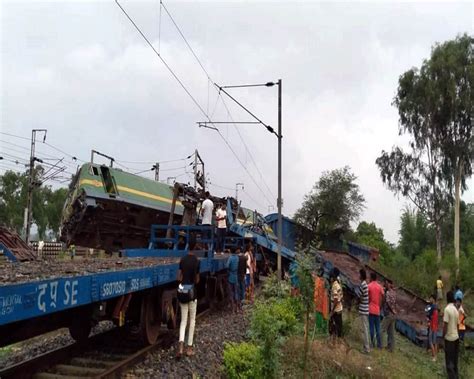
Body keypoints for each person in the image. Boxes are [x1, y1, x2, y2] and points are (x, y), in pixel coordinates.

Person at [176, 237, 200, 358]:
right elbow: (196, 279)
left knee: (183, 320)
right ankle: (189, 348)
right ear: (195, 246)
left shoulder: (182, 259)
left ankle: (180, 347)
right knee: (192, 321)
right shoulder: (196, 261)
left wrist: (183, 282)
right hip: (192, 293)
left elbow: (178, 277)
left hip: (182, 292)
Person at [443, 290, 459, 379]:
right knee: (455, 362)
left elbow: (445, 325)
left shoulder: (447, 309)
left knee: (449, 364)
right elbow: (457, 325)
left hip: (449, 339)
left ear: (447, 299)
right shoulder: (456, 310)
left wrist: (442, 336)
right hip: (456, 337)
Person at [368, 272, 384, 349]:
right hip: (377, 310)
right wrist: (380, 305)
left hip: (370, 309)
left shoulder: (369, 286)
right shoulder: (379, 287)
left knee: (371, 327)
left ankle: (371, 343)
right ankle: (379, 344)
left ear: (371, 278)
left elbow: (367, 297)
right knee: (378, 327)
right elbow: (383, 296)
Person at [382, 279, 397, 352]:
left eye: (387, 284)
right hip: (393, 315)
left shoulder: (388, 293)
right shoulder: (394, 292)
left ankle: (379, 344)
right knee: (391, 332)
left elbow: (388, 303)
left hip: (388, 313)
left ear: (390, 284)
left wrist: (392, 310)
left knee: (382, 329)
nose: (386, 285)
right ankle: (391, 348)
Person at [358, 269, 370, 354]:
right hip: (365, 308)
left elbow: (360, 297)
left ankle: (366, 348)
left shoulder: (363, 285)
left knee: (364, 329)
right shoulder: (366, 284)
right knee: (364, 328)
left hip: (363, 309)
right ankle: (365, 346)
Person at [329, 267, 343, 339]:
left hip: (336, 309)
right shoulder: (338, 284)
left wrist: (332, 311)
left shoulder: (335, 286)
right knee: (339, 326)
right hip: (339, 308)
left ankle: (335, 342)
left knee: (334, 327)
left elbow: (335, 299)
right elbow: (340, 297)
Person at [226, 248, 240, 313]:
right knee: (236, 292)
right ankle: (237, 308)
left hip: (230, 276)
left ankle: (232, 310)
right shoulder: (237, 258)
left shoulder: (230, 258)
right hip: (236, 276)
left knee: (231, 293)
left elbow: (227, 266)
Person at [426, 295, 439, 362]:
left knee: (430, 341)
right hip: (436, 326)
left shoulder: (432, 307)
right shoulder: (436, 307)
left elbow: (428, 315)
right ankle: (435, 355)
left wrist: (428, 321)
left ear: (433, 299)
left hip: (432, 326)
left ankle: (434, 356)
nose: (430, 299)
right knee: (435, 342)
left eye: (430, 298)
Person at [237, 247, 247, 312]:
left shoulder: (237, 258)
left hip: (237, 275)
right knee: (243, 288)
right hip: (242, 275)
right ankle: (242, 302)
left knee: (238, 288)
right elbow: (245, 267)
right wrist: (245, 273)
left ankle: (238, 302)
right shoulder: (244, 258)